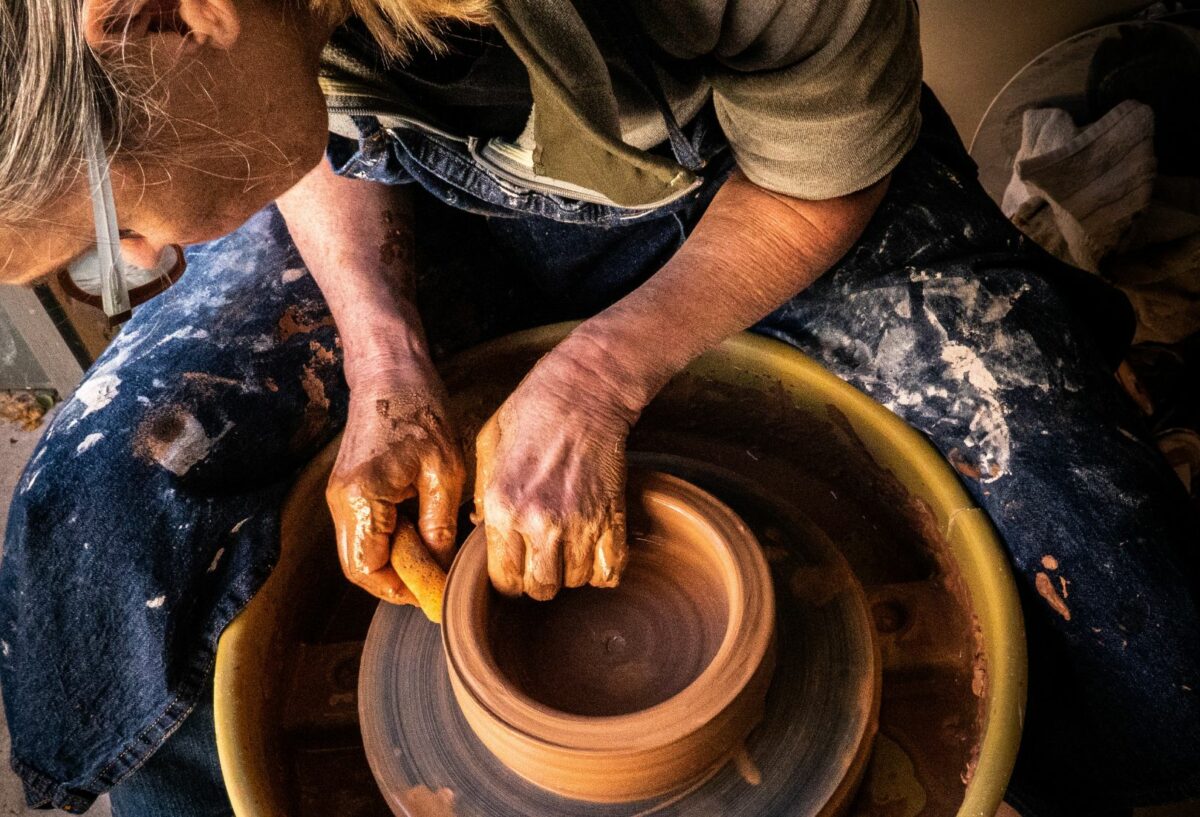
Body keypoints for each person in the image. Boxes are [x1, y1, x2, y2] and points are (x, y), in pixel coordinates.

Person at [0, 0, 1197, 815]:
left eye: (113, 233)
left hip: (761, 200)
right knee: (100, 510)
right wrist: (382, 351)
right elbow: (296, 123)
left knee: (1143, 630)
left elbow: (818, 169)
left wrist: (600, 375)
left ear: (168, 13)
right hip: (411, 203)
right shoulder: (208, 35)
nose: (150, 262)